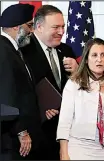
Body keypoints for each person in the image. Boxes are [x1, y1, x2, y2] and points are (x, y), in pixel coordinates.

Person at [20, 5, 78, 160]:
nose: (61, 32)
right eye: (55, 27)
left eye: (63, 27)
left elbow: (81, 89)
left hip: (65, 135)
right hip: (37, 137)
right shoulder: (23, 52)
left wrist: (77, 71)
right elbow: (17, 92)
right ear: (39, 26)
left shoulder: (66, 50)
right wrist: (40, 110)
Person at [56, 38, 104, 160]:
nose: (99, 59)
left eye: (103, 55)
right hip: (79, 148)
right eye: (94, 55)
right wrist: (63, 153)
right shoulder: (74, 84)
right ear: (86, 60)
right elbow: (64, 121)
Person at [0, 4, 43, 160]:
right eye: (29, 25)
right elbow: (6, 96)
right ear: (17, 27)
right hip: (12, 140)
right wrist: (21, 131)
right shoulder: (3, 51)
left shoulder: (13, 50)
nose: (31, 31)